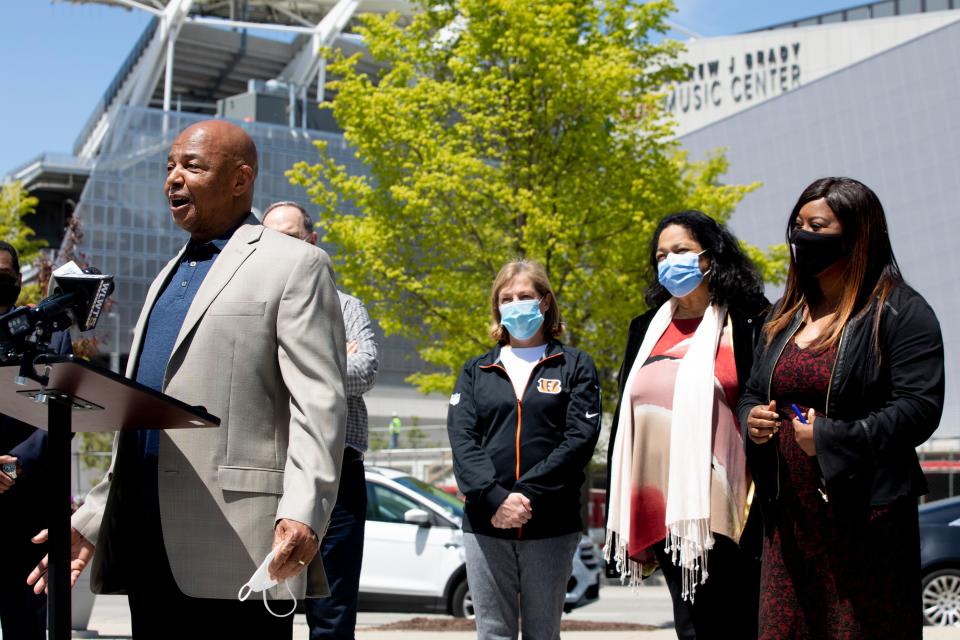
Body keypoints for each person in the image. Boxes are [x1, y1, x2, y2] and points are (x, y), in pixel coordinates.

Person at [28, 120, 348, 639]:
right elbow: (140, 428)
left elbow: (318, 404)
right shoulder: (167, 275)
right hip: (146, 545)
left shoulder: (296, 265)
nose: (173, 179)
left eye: (192, 167)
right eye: (169, 167)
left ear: (241, 179)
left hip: (238, 547)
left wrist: (304, 511)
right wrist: (91, 520)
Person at [738, 177, 944, 639]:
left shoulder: (899, 311)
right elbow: (752, 390)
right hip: (789, 522)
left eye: (816, 225)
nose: (801, 236)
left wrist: (832, 438)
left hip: (864, 519)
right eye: (797, 225)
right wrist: (750, 418)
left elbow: (919, 407)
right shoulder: (783, 314)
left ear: (857, 235)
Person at [604, 210, 768, 640]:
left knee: (738, 625)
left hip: (732, 511)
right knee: (691, 628)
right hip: (665, 510)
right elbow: (629, 414)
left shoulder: (750, 321)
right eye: (661, 255)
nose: (669, 261)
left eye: (681, 251)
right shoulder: (646, 328)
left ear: (711, 256)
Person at [447, 259, 601, 640]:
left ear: (545, 302)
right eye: (507, 298)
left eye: (525, 296)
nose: (516, 304)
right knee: (493, 633)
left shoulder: (575, 365)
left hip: (550, 524)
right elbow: (463, 438)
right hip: (485, 523)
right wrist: (496, 499)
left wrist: (524, 496)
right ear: (496, 307)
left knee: (542, 633)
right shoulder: (475, 370)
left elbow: (579, 439)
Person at [263, 200, 379, 640]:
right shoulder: (255, 305)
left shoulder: (346, 307)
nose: (281, 248)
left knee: (332, 608)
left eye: (290, 238)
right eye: (271, 238)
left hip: (338, 472)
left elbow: (365, 369)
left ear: (312, 242)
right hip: (272, 468)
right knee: (268, 599)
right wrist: (328, 363)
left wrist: (292, 370)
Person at [0, 242, 72, 640]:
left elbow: (65, 412)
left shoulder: (49, 337)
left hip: (28, 513)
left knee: (26, 627)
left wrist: (15, 462)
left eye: (5, 278)